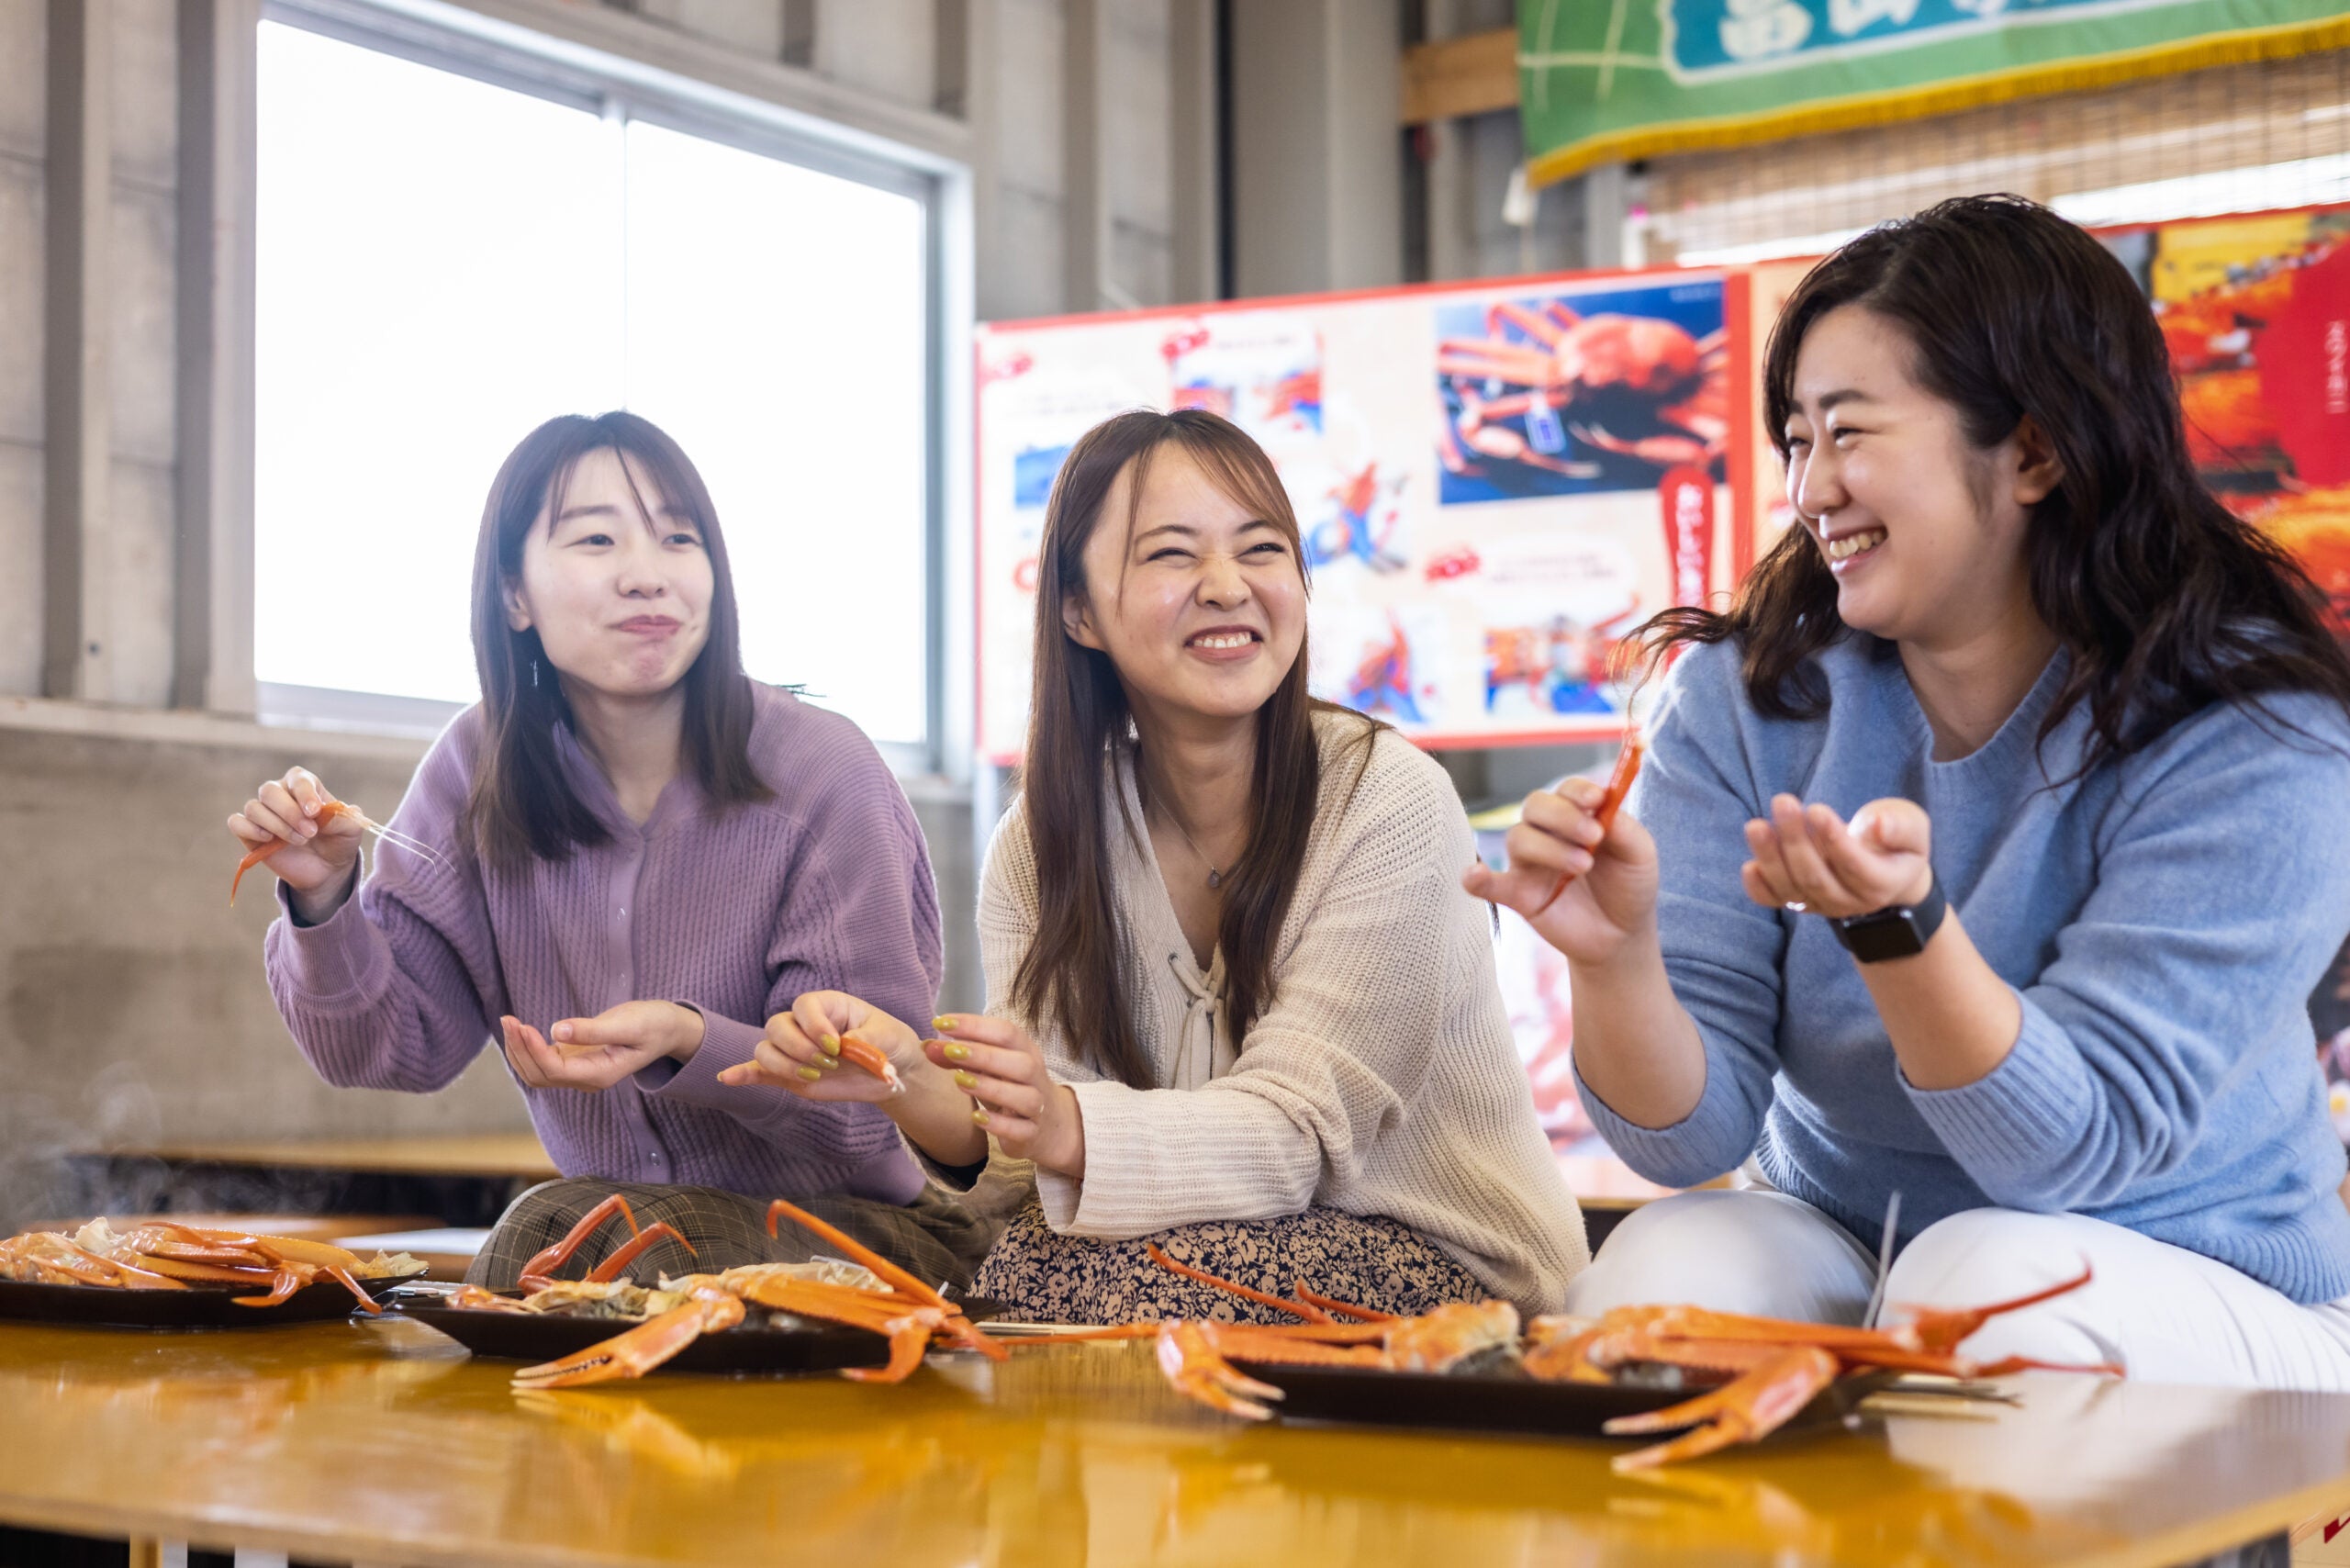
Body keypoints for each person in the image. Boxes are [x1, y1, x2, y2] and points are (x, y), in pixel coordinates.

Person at [1469, 194, 2350, 1389]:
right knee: (1662, 1280)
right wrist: (1613, 960)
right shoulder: (1748, 695)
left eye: (1849, 432)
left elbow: (2067, 1156)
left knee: (1982, 1298)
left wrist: (1898, 930)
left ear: (2034, 448)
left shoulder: (2252, 728)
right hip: (1868, 1248)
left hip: (2207, 1281)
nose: (1810, 488)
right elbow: (1685, 1140)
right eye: (1793, 441)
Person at [726, 409, 1588, 1320]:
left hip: (1454, 1259)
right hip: (1185, 1247)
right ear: (1078, 611)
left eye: (1260, 549)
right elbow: (1036, 1159)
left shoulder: (1386, 796)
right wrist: (912, 1079)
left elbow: (1295, 1133)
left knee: (1046, 1281)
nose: (1227, 585)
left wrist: (1062, 1121)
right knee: (1011, 1268)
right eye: (1171, 554)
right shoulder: (1045, 835)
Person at [232, 412, 988, 1290]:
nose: (646, 576)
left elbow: (859, 1115)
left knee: (567, 1237)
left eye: (678, 538)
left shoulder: (824, 771)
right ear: (514, 595)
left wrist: (690, 1041)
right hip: (628, 1237)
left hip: (866, 1237)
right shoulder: (478, 770)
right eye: (597, 539)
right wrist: (325, 903)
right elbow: (391, 1049)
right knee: (578, 1245)